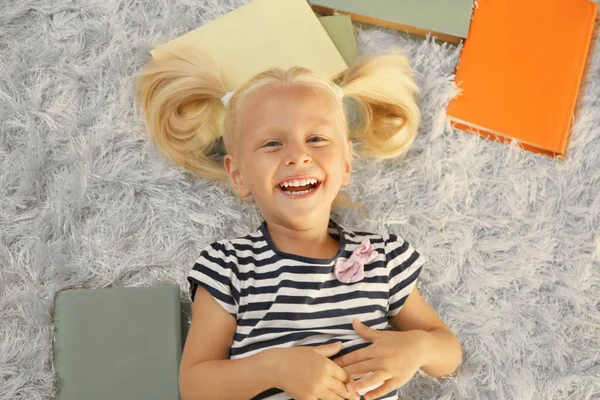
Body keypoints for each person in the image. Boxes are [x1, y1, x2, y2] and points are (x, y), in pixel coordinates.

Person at [136, 45, 462, 400]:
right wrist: (274, 367)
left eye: (316, 139)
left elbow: (448, 352)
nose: (298, 155)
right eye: (273, 143)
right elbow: (196, 386)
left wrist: (417, 349)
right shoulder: (229, 266)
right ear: (238, 174)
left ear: (347, 163)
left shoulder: (382, 258)